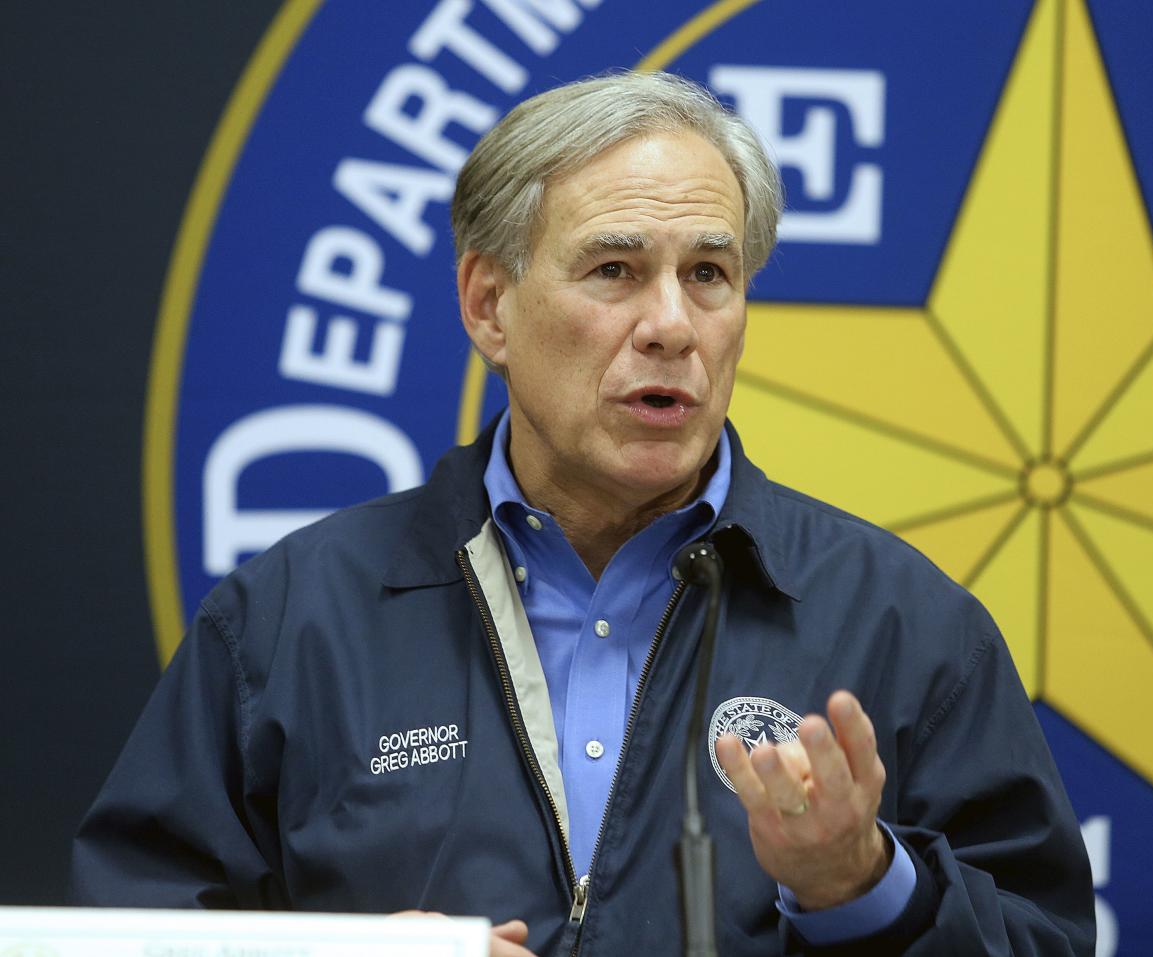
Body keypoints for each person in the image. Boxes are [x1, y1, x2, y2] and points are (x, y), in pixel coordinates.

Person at [72, 72, 1095, 955]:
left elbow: (1046, 938)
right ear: (488, 306)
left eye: (709, 274)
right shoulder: (294, 616)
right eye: (614, 269)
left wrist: (865, 887)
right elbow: (127, 923)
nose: (670, 326)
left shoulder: (903, 625)